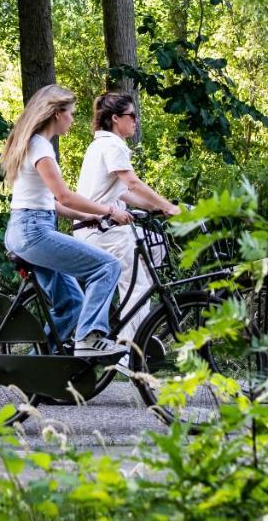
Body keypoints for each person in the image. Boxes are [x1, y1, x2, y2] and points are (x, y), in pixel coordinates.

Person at [1, 84, 134, 362]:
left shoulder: (34, 144)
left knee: (72, 303)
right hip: (34, 232)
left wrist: (90, 216)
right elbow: (65, 196)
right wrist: (110, 210)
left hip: (25, 229)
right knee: (107, 266)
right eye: (71, 113)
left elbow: (52, 203)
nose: (73, 120)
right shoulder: (41, 147)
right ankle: (89, 338)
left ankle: (37, 368)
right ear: (57, 113)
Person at [74, 91, 181, 348]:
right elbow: (131, 182)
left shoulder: (99, 145)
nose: (136, 120)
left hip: (94, 229)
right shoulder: (113, 145)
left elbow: (122, 192)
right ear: (115, 118)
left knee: (154, 246)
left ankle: (133, 335)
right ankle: (131, 350)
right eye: (131, 115)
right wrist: (167, 205)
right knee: (139, 287)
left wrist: (157, 208)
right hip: (103, 231)